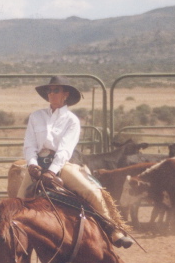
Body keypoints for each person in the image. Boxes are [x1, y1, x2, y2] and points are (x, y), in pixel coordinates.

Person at [17, 76, 134, 248]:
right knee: (18, 200)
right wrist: (32, 164)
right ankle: (17, 237)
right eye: (49, 90)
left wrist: (52, 171)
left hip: (62, 165)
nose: (51, 93)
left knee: (92, 192)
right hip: (37, 165)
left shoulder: (71, 120)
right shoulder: (36, 116)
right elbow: (29, 144)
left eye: (55, 90)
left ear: (65, 94)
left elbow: (65, 149)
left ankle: (114, 231)